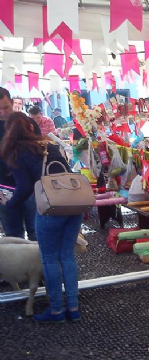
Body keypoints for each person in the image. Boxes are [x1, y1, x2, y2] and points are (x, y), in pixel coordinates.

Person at [0, 112, 84, 324]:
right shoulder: (48, 145)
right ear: (31, 127)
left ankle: (56, 310)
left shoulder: (16, 152)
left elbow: (24, 187)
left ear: (9, 131)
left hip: (51, 208)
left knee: (49, 259)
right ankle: (73, 308)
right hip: (74, 204)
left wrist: (8, 203)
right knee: (67, 257)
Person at [0, 87, 39, 240]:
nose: (2, 112)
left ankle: (39, 257)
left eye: (5, 107)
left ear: (12, 102)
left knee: (36, 231)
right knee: (12, 235)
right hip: (4, 187)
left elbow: (38, 150)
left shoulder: (28, 123)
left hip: (30, 187)